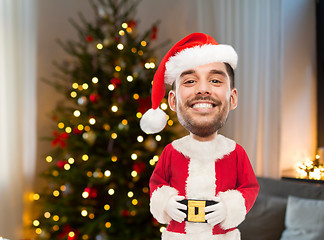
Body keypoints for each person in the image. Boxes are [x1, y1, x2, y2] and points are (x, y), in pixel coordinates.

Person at [140, 33, 259, 240]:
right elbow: (157, 185)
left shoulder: (236, 153)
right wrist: (166, 203)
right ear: (172, 101)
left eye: (214, 80)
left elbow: (249, 188)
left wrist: (229, 208)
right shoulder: (171, 152)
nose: (203, 89)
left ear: (232, 99)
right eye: (190, 81)